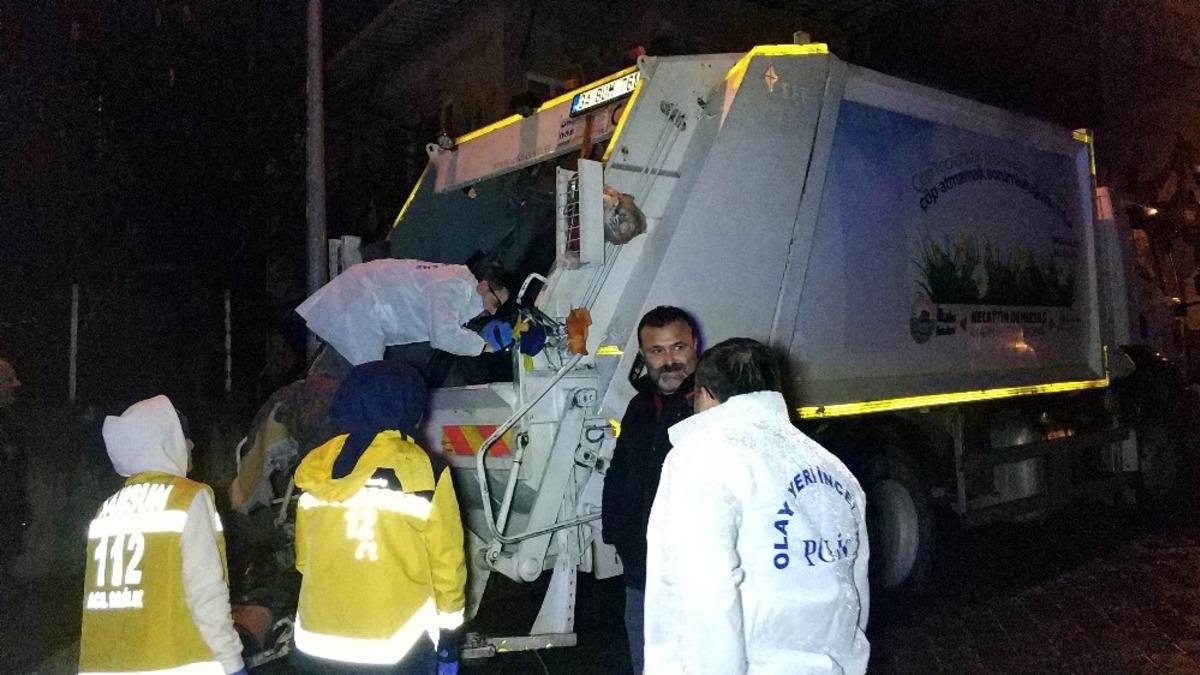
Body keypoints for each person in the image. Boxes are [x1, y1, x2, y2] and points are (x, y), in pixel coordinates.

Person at [644, 338, 870, 675]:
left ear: (705, 395)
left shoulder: (702, 456)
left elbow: (705, 590)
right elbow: (855, 594)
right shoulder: (833, 468)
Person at [291, 360, 467, 674]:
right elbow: (447, 565)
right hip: (395, 647)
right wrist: (450, 640)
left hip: (315, 644)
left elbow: (304, 560)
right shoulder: (424, 470)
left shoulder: (316, 467)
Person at [79, 395, 247, 675]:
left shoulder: (106, 509)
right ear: (165, 441)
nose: (191, 444)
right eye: (184, 436)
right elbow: (206, 594)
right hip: (175, 664)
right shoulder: (187, 498)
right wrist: (232, 662)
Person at [601, 306, 699, 674]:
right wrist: (616, 532)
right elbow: (620, 470)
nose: (670, 361)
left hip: (695, 574)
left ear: (695, 345)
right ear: (643, 355)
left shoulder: (711, 404)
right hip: (641, 571)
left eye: (678, 347)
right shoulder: (639, 406)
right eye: (657, 351)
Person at [295, 258, 512, 366]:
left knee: (360, 378)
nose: (494, 312)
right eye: (495, 303)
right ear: (483, 285)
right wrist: (485, 346)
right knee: (365, 380)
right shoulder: (453, 287)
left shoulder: (457, 283)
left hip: (360, 309)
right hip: (359, 309)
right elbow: (444, 335)